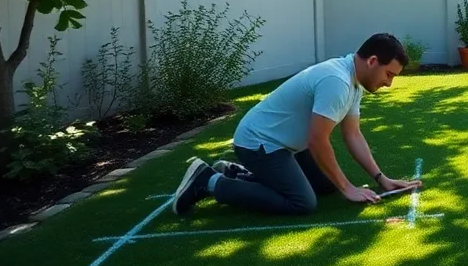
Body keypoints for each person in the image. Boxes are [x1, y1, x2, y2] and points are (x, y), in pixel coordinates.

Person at [171, 33, 422, 216]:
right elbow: (318, 140)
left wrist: (381, 178)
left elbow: (352, 135)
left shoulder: (354, 81)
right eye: (389, 74)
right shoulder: (337, 81)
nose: (389, 83)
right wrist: (347, 188)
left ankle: (237, 173)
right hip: (259, 143)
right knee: (302, 202)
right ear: (372, 61)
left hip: (285, 144)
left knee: (325, 184)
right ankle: (209, 181)